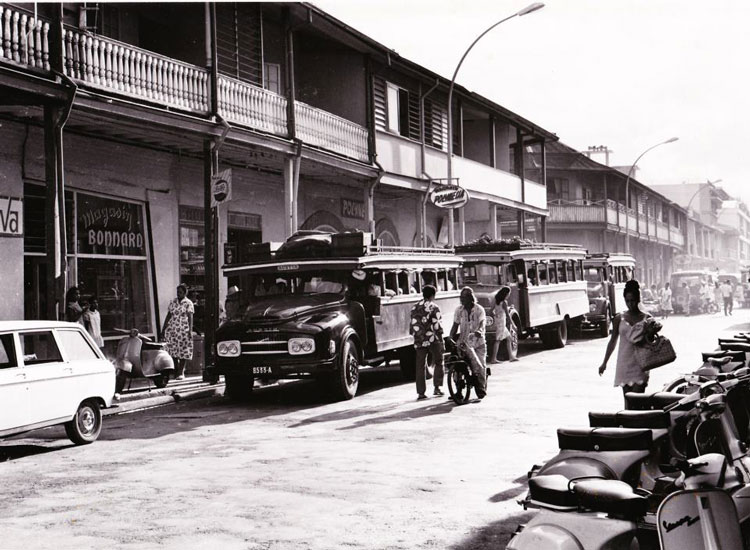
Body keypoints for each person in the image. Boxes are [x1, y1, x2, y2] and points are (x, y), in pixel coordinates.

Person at [598, 280, 651, 404]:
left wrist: (651, 331)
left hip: (641, 365)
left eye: (633, 300)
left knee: (638, 403)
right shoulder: (618, 318)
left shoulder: (647, 318)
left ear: (638, 299)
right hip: (624, 365)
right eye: (627, 301)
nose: (630, 304)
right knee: (627, 403)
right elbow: (612, 341)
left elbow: (650, 342)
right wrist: (604, 363)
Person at [449, 287, 487, 398]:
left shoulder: (479, 309)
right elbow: (455, 326)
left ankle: (480, 388)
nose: (462, 300)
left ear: (471, 298)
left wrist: (479, 331)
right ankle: (458, 391)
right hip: (464, 343)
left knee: (480, 366)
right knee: (457, 367)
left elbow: (482, 322)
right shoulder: (459, 310)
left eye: (464, 297)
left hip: (478, 343)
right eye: (461, 297)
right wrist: (450, 336)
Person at [409, 285, 445, 400]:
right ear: (433, 295)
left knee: (420, 366)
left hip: (419, 339)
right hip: (432, 338)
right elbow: (437, 325)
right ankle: (437, 387)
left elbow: (412, 325)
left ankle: (421, 393)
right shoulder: (434, 307)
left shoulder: (414, 307)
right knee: (439, 361)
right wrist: (441, 340)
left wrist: (418, 336)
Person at [162, 284, 194, 380]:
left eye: (180, 292)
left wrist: (190, 331)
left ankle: (181, 371)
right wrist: (163, 329)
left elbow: (190, 317)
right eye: (177, 292)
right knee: (173, 350)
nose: (178, 294)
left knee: (183, 351)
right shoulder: (173, 302)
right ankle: (176, 370)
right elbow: (169, 315)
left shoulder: (188, 303)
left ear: (185, 293)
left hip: (183, 329)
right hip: (173, 329)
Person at [489, 286, 518, 364]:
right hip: (502, 322)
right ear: (506, 294)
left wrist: (496, 315)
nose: (509, 295)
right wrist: (513, 324)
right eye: (508, 294)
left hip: (498, 321)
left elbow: (491, 311)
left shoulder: (496, 301)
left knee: (509, 338)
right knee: (498, 340)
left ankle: (511, 356)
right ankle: (493, 358)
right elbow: (508, 315)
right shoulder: (504, 302)